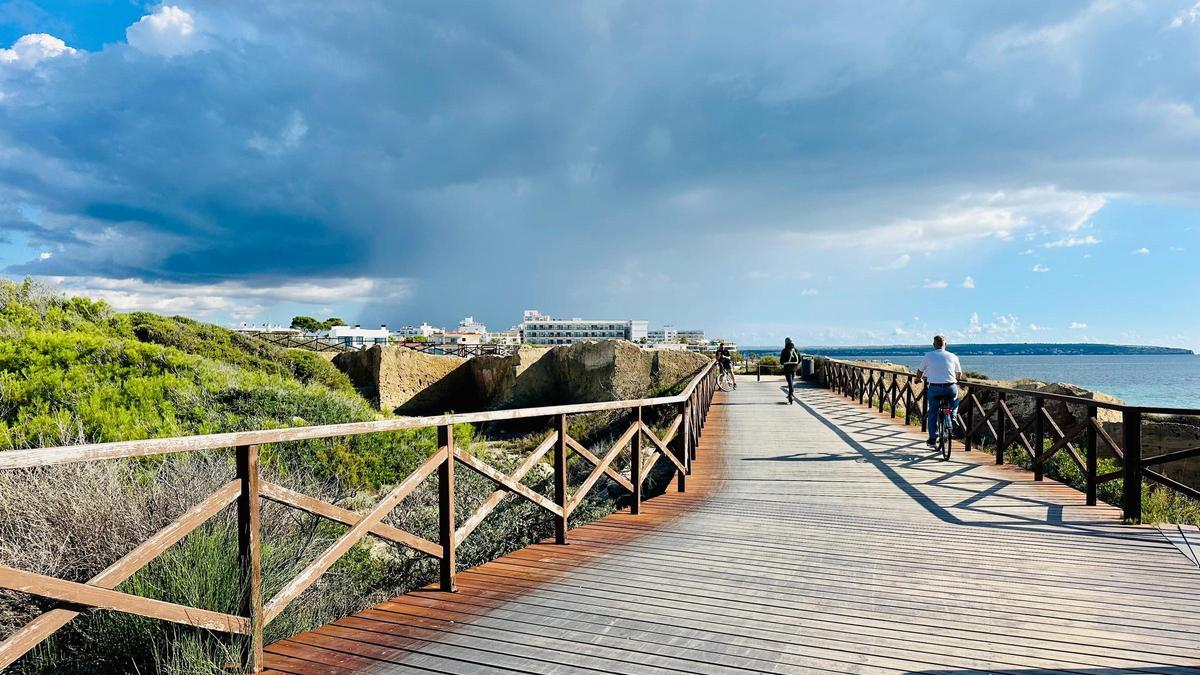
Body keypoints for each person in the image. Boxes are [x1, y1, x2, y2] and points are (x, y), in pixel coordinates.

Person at [915, 335, 963, 448]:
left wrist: (918, 379)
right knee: (955, 401)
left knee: (933, 412)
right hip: (950, 387)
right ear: (945, 344)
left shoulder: (928, 356)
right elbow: (959, 374)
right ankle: (953, 417)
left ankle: (933, 438)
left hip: (934, 388)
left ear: (934, 345)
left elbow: (920, 371)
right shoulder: (953, 356)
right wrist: (957, 379)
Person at [780, 337, 801, 404]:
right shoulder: (796, 350)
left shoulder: (784, 350)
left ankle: (791, 393)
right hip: (794, 367)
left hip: (787, 367)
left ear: (785, 343)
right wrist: (796, 365)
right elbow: (799, 359)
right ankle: (790, 394)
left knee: (789, 381)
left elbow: (781, 361)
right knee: (791, 380)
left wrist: (783, 363)